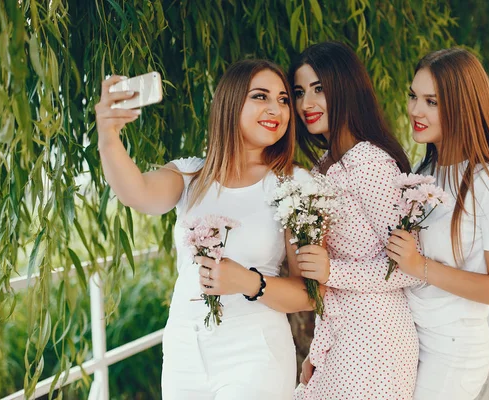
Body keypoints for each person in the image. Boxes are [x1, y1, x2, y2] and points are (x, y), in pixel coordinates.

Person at [95, 59, 317, 400]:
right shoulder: (190, 176)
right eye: (261, 96)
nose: (277, 109)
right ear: (229, 103)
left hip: (255, 351)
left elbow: (308, 294)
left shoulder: (293, 184)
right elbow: (136, 193)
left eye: (284, 99)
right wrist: (108, 138)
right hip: (185, 346)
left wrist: (248, 282)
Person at [385, 48, 489, 400]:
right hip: (408, 338)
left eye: (432, 101)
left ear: (462, 105)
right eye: (413, 96)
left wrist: (421, 267)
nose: (416, 110)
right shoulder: (424, 174)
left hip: (452, 351)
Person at [290, 41, 420, 400]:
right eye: (299, 92)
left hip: (375, 340)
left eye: (319, 89)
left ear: (345, 86)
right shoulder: (325, 165)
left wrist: (333, 271)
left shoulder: (369, 162)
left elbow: (410, 267)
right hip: (339, 336)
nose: (306, 104)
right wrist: (318, 349)